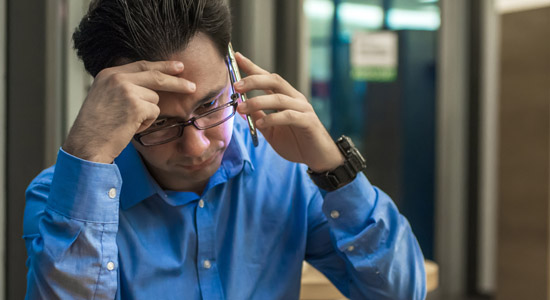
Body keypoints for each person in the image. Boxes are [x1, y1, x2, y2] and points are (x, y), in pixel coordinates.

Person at [23, 0, 426, 299]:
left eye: (210, 104)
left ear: (234, 71)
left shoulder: (287, 175)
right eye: (160, 123)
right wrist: (86, 151)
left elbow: (401, 292)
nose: (197, 145)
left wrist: (334, 170)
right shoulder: (62, 198)